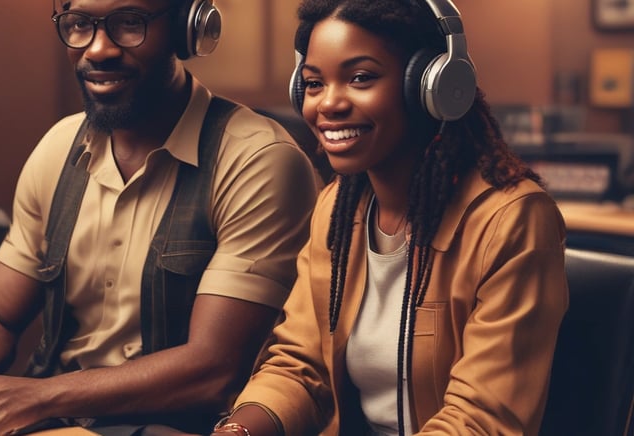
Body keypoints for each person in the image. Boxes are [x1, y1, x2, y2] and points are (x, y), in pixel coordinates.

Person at [209, 0, 569, 435]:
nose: (329, 103)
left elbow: (479, 420)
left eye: (361, 78)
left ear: (431, 84)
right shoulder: (337, 208)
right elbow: (299, 366)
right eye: (314, 83)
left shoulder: (513, 221)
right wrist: (237, 432)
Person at [0, 0, 320, 435]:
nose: (98, 49)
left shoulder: (258, 161)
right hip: (51, 420)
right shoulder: (58, 148)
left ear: (186, 28)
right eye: (79, 23)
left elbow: (214, 369)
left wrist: (36, 397)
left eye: (129, 22)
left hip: (177, 425)